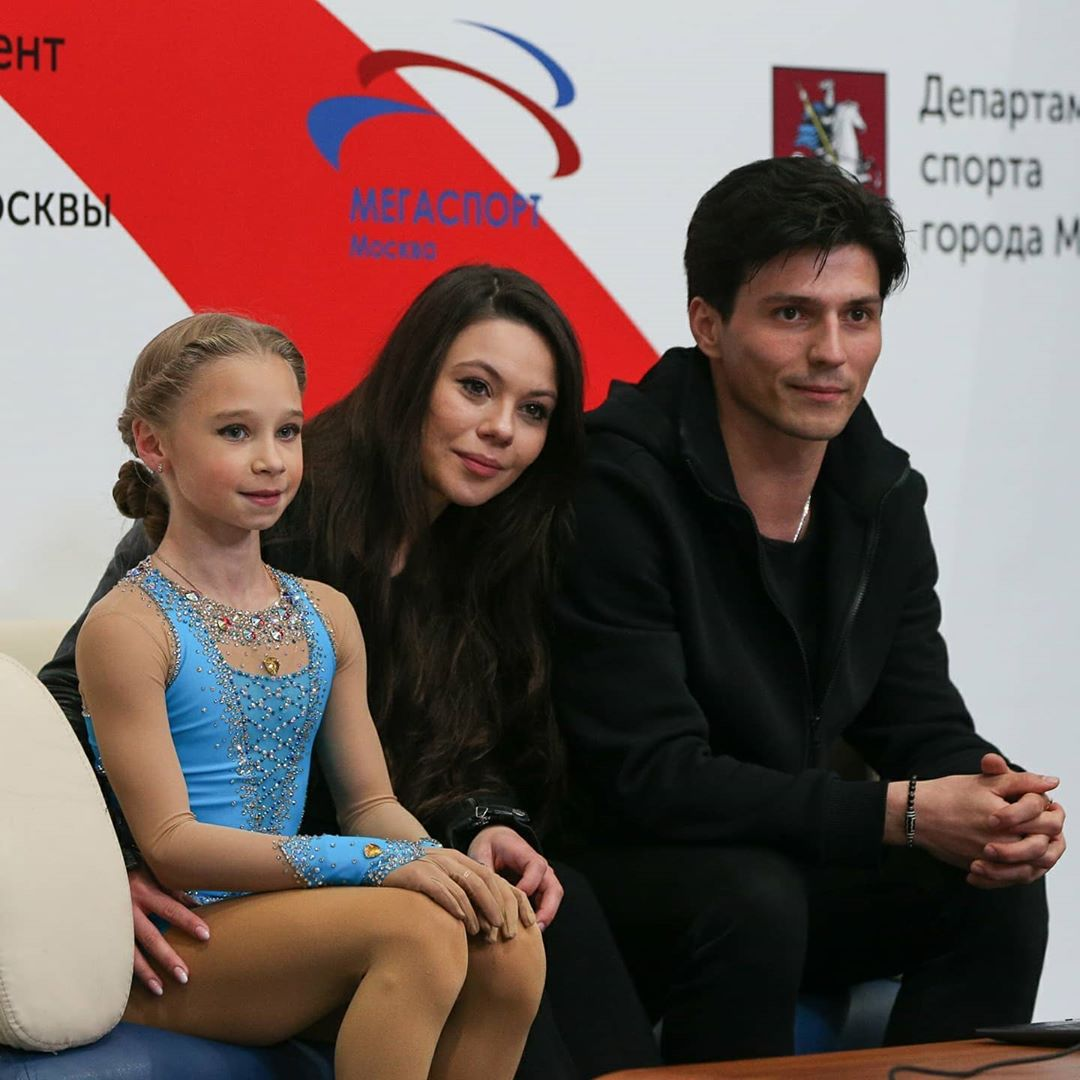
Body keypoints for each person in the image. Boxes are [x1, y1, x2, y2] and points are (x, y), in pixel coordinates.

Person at [41, 266, 660, 1078]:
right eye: (236, 433)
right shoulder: (139, 617)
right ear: (154, 444)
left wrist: (452, 853)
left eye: (287, 432)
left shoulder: (338, 606)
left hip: (304, 900)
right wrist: (107, 868)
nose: (270, 461)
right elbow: (149, 816)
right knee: (420, 930)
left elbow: (381, 795)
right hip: (194, 920)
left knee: (507, 933)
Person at [550, 157, 1066, 1064]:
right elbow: (650, 777)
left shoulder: (881, 493)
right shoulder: (616, 486)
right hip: (617, 875)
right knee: (752, 898)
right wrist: (904, 813)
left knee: (995, 884)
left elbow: (920, 720)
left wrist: (1000, 803)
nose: (832, 351)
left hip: (784, 855)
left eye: (857, 316)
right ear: (708, 324)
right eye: (792, 314)